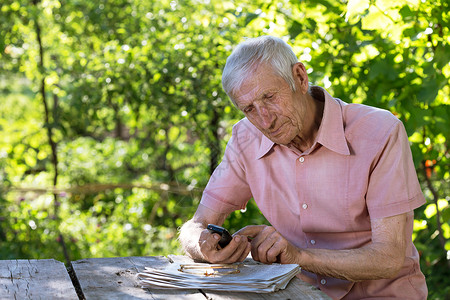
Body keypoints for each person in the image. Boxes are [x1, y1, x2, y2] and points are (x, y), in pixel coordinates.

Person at [178, 36, 427, 299]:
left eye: (270, 97)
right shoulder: (245, 138)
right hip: (298, 293)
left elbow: (388, 257)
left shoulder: (379, 132)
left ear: (299, 77)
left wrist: (298, 257)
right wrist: (201, 245)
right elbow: (197, 225)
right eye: (250, 108)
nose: (265, 120)